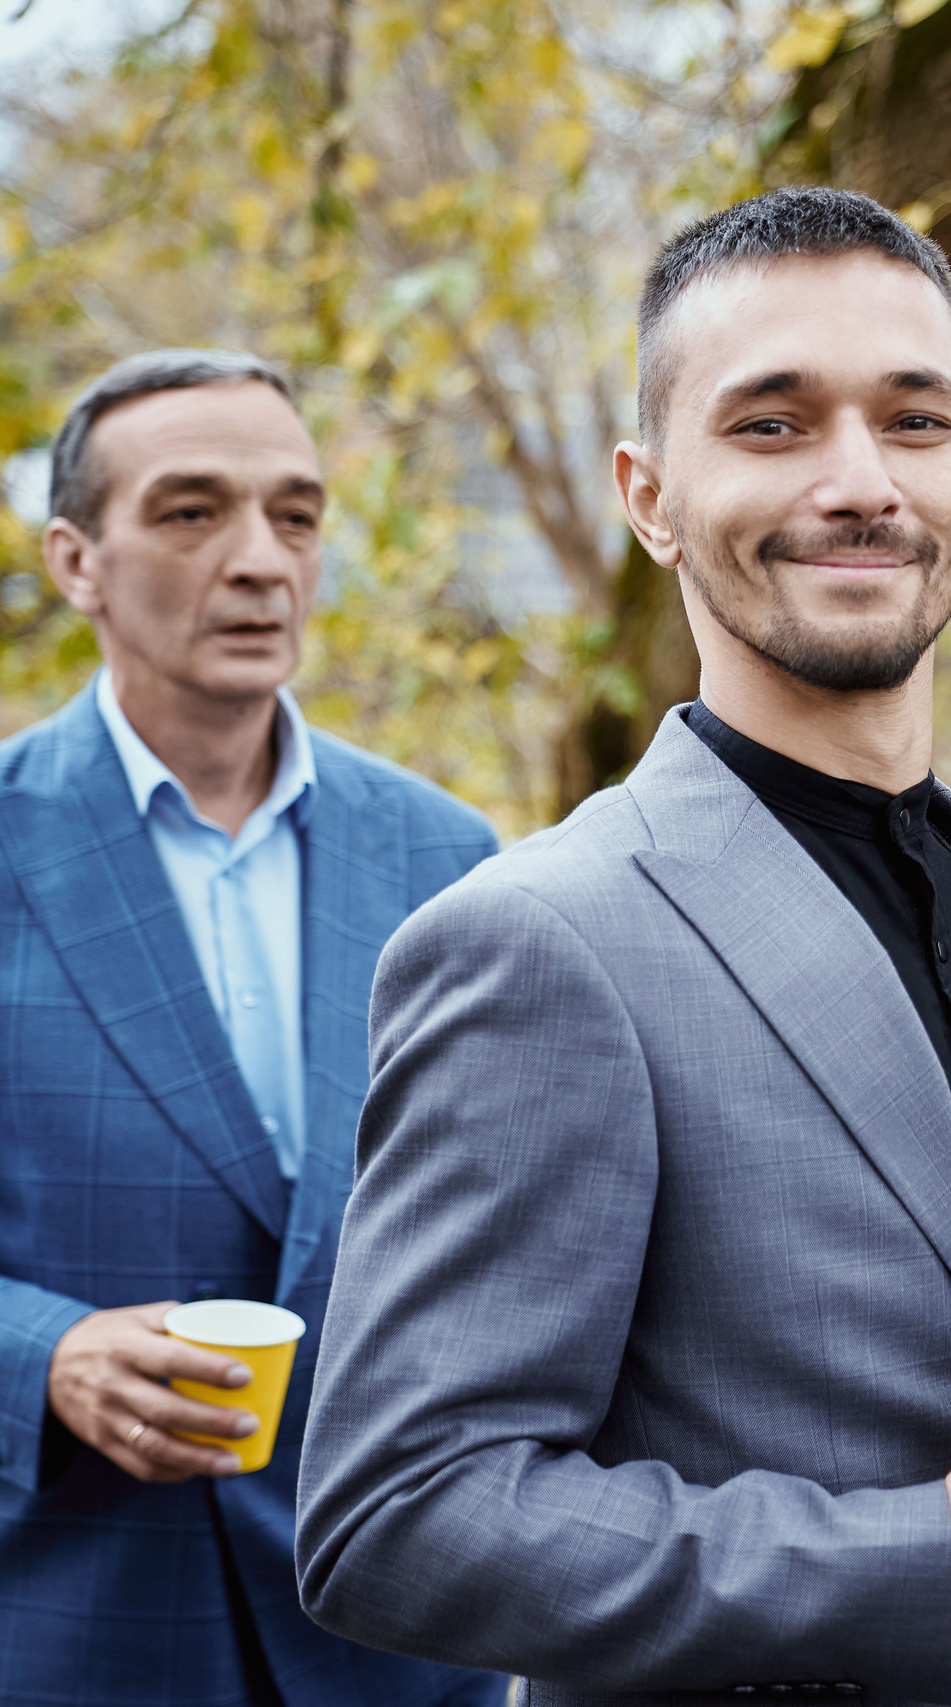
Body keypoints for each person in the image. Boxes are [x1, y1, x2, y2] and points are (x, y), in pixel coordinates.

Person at [294, 188, 951, 1707]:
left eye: (916, 421)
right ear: (647, 492)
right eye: (773, 424)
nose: (861, 480)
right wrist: (922, 1549)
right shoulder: (540, 941)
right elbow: (397, 1515)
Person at [0, 350, 503, 1707]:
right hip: (73, 1627)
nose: (260, 559)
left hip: (401, 1644)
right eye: (189, 512)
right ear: (75, 561)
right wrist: (42, 1354)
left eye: (295, 514)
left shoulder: (450, 856)